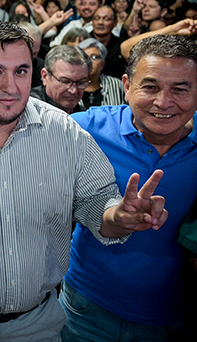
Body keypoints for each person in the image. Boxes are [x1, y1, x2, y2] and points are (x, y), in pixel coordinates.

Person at [0, 21, 168, 341]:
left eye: (21, 71)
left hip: (37, 323)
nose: (11, 86)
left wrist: (120, 216)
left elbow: (96, 201)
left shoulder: (63, 132)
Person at [62, 35, 197, 341]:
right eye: (150, 87)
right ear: (126, 85)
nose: (164, 102)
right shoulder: (86, 129)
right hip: (86, 311)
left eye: (181, 89)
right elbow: (18, 121)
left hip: (172, 319)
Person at [31, 44, 91, 114]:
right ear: (45, 76)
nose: (74, 91)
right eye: (65, 81)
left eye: (81, 82)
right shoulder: (28, 109)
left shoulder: (83, 115)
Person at [76, 38, 125, 109]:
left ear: (102, 64)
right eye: (85, 57)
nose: (89, 61)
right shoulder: (71, 85)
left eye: (94, 57)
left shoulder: (116, 84)